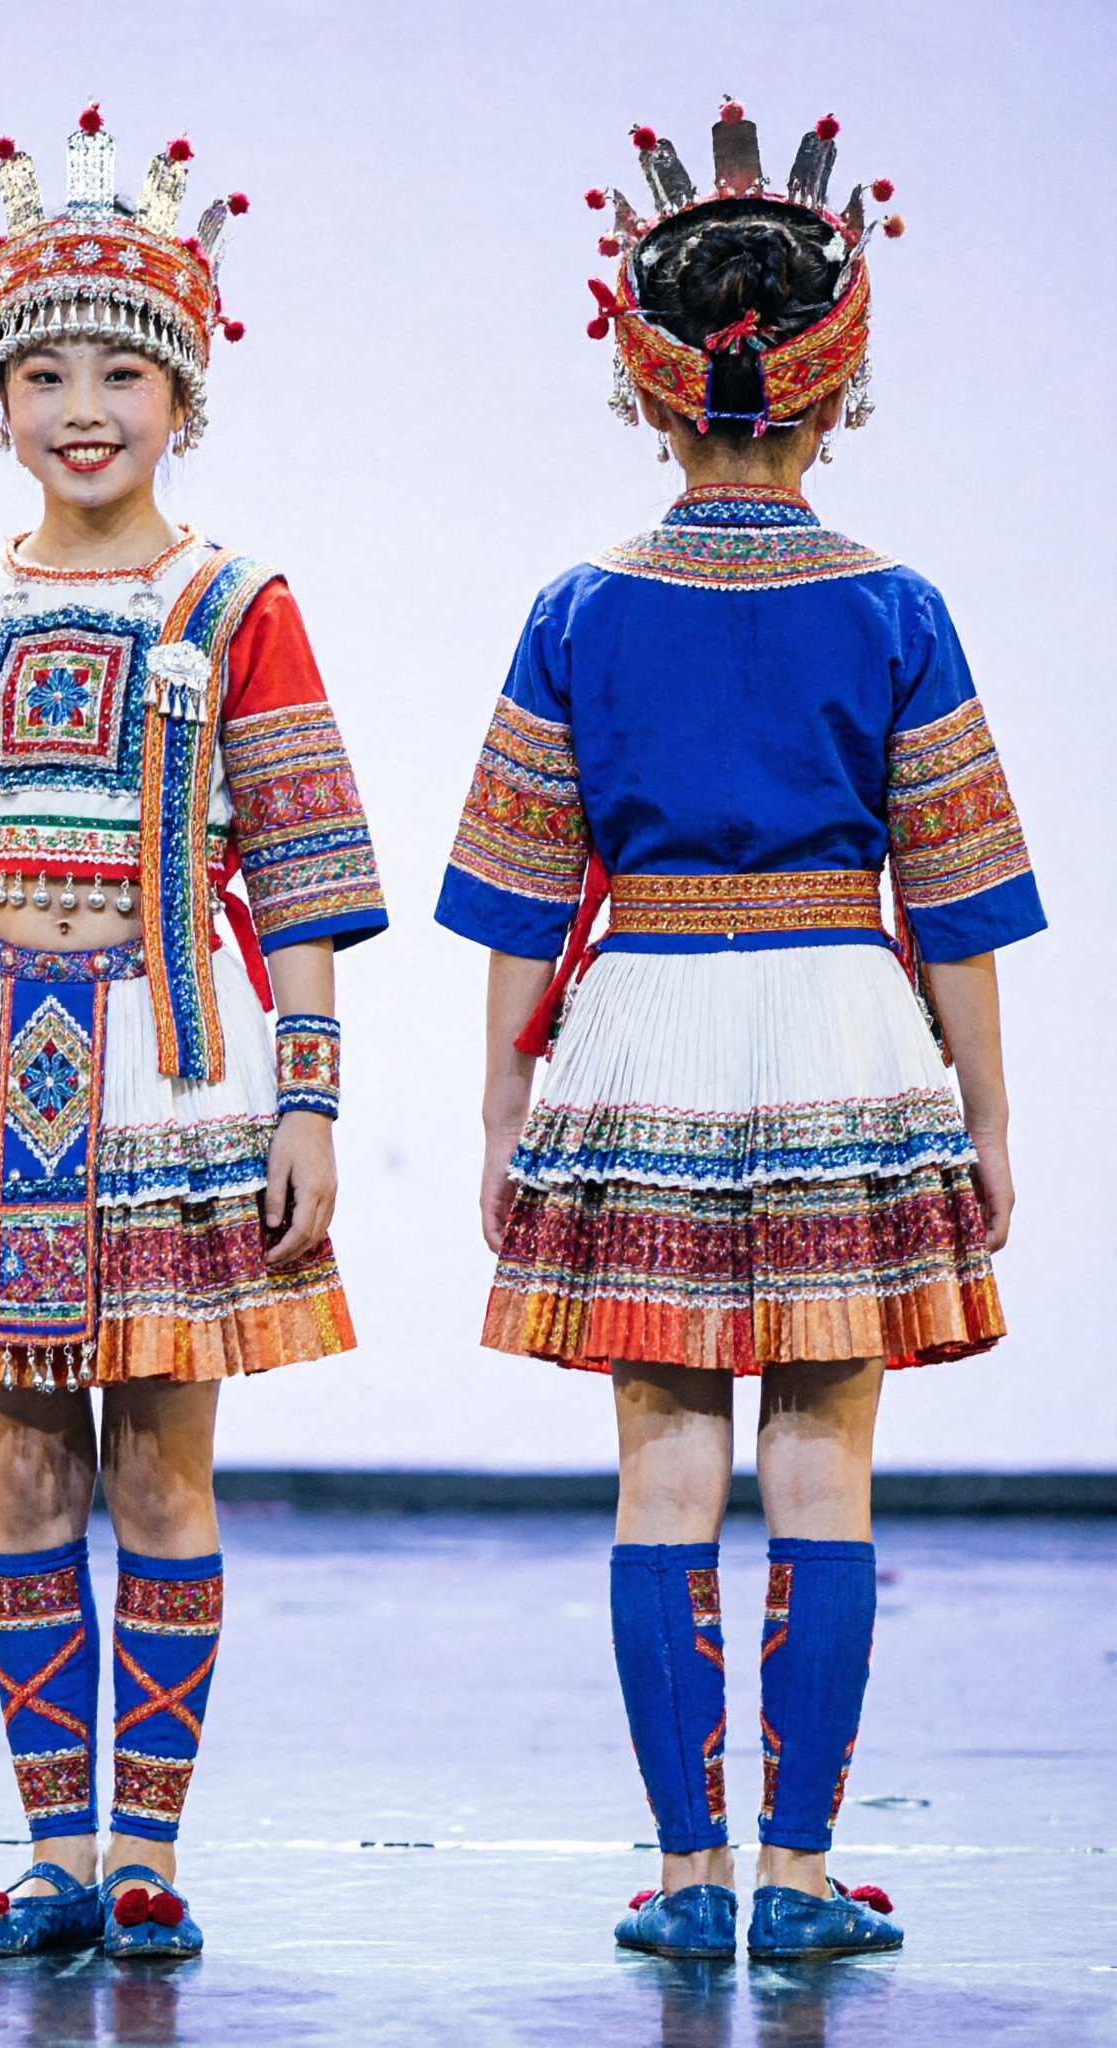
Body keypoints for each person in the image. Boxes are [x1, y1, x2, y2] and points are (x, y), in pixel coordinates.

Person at [436, 102, 1043, 1963]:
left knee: (663, 1460)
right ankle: (795, 1873)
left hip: (642, 1030)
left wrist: (498, 1108)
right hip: (847, 1024)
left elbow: (524, 886)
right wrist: (992, 1113)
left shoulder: (580, 607)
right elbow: (954, 888)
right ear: (833, 391)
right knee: (825, 1466)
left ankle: (692, 1878)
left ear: (647, 386)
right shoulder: (896, 606)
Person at [0, 108, 386, 1961]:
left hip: (172, 1063)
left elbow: (297, 866)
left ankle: (148, 1851)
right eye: (45, 370)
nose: (84, 406)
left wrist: (310, 1101)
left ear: (182, 392)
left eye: (122, 371)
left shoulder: (236, 607)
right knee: (19, 1459)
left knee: (161, 1455)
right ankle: (53, 1847)